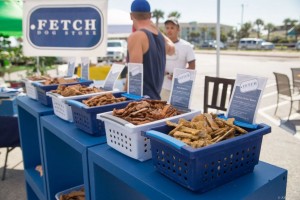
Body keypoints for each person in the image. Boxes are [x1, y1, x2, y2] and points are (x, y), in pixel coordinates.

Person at [125, 0, 174, 100]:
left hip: (140, 104)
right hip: (155, 101)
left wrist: (120, 99)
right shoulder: (160, 37)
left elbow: (134, 76)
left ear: (131, 16)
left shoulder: (137, 36)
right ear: (150, 15)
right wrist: (157, 30)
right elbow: (172, 48)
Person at [160, 17, 196, 101]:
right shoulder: (161, 45)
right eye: (167, 28)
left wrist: (178, 76)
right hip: (163, 87)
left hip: (180, 88)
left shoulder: (187, 46)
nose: (169, 30)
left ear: (178, 29)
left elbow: (192, 66)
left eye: (172, 28)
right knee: (163, 113)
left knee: (179, 112)